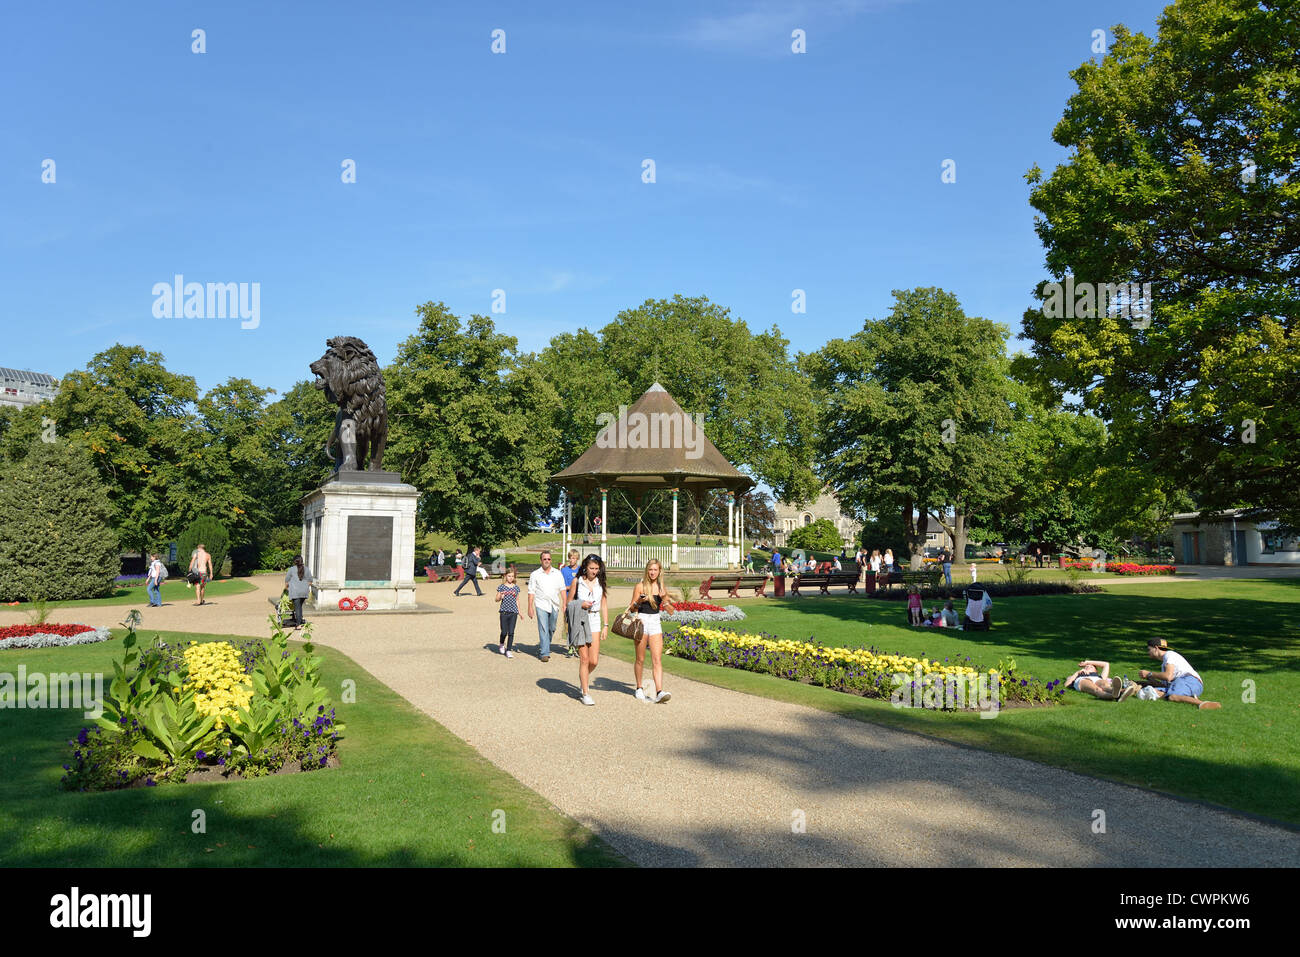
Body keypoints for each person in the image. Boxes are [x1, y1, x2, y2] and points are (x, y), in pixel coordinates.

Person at [627, 559, 674, 703]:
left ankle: (659, 691)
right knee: (640, 658)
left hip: (655, 622)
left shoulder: (661, 587)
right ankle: (639, 687)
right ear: (647, 571)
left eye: (655, 570)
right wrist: (640, 601)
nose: (653, 572)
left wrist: (663, 599)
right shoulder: (640, 586)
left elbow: (671, 611)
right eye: (650, 570)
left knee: (657, 659)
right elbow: (631, 608)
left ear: (660, 571)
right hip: (641, 621)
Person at [567, 554, 609, 706]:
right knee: (584, 659)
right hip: (581, 619)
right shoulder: (577, 582)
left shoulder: (600, 582)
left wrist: (606, 625)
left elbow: (604, 604)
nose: (594, 571)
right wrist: (581, 604)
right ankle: (585, 692)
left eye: (597, 569)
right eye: (592, 568)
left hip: (595, 619)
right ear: (585, 567)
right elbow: (568, 602)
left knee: (594, 661)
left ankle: (583, 679)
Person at [1139, 637, 1221, 709]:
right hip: (1185, 684)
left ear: (1156, 648)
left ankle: (1203, 704)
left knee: (1171, 696)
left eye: (1149, 649)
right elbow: (1165, 685)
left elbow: (1168, 676)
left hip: (1190, 681)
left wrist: (1149, 673)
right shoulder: (1165, 663)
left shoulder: (1169, 655)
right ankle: (1190, 698)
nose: (1148, 652)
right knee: (1151, 691)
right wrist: (1146, 680)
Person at [527, 550, 566, 661]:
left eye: (549, 559)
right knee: (543, 627)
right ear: (541, 560)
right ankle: (544, 653)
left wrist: (564, 604)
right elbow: (531, 591)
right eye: (545, 559)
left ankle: (545, 645)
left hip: (554, 604)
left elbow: (562, 589)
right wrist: (530, 607)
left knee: (552, 628)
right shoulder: (535, 574)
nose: (547, 561)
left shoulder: (557, 573)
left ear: (551, 560)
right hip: (541, 604)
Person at [1062, 660, 1136, 701]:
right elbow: (1066, 684)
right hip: (1082, 680)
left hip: (1097, 679)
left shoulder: (1099, 676)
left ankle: (1120, 692)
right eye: (1086, 666)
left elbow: (1106, 664)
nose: (1088, 667)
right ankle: (1116, 696)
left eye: (1091, 666)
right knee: (1097, 689)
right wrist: (1077, 673)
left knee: (1105, 686)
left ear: (1096, 671)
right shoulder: (1078, 675)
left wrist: (1087, 662)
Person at [559, 550, 582, 656]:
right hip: (568, 600)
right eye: (570, 558)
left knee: (578, 624)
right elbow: (561, 587)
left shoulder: (581, 570)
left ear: (577, 559)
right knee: (568, 624)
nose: (572, 560)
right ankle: (570, 646)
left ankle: (577, 646)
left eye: (574, 558)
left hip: (579, 601)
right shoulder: (564, 571)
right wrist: (572, 587)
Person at [496, 567, 520, 658]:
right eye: (509, 576)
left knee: (511, 632)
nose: (511, 578)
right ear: (505, 576)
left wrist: (520, 612)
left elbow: (517, 600)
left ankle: (509, 650)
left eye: (512, 576)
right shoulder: (501, 587)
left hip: (513, 612)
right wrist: (500, 596)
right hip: (504, 612)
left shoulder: (516, 588)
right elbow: (496, 599)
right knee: (504, 632)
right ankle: (502, 643)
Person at [284, 554, 313, 628]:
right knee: (299, 606)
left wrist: (287, 588)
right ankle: (300, 620)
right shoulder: (307, 569)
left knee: (297, 608)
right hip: (304, 591)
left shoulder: (291, 569)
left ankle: (299, 624)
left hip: (295, 591)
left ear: (294, 562)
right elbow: (310, 581)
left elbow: (287, 581)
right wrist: (304, 586)